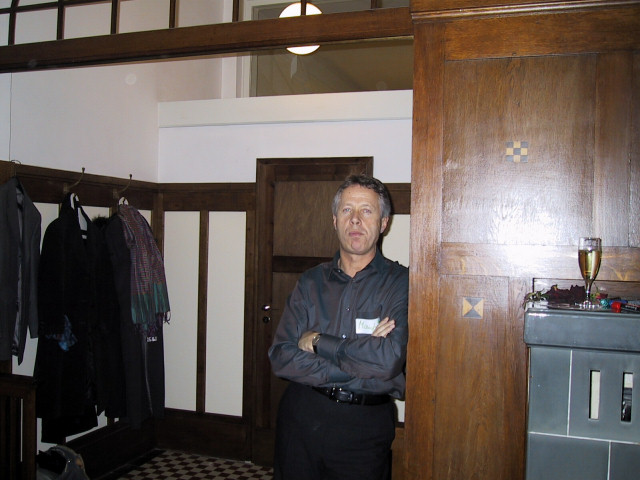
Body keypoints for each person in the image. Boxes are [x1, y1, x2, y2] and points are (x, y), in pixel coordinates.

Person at [268, 174, 409, 480]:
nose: (355, 219)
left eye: (366, 211)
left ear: (384, 223)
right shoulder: (310, 282)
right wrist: (361, 364)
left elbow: (388, 361)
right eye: (347, 210)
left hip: (364, 428)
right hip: (300, 419)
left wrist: (319, 342)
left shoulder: (402, 283)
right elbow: (281, 356)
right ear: (335, 220)